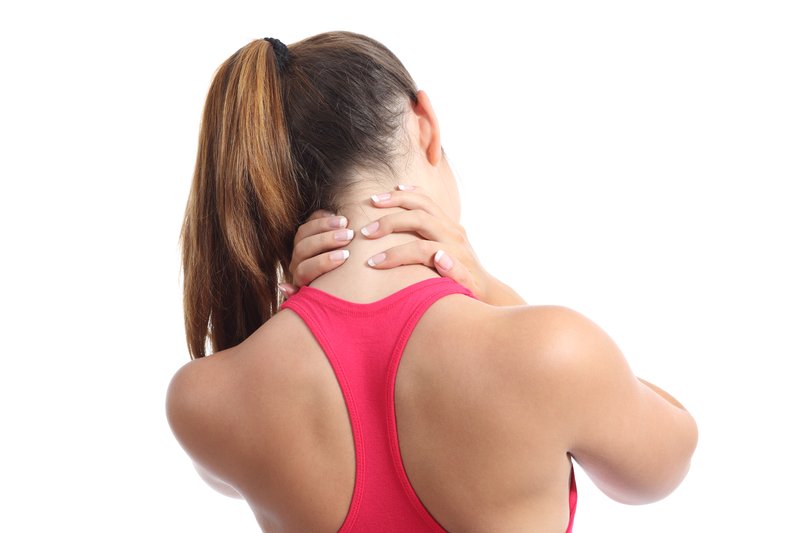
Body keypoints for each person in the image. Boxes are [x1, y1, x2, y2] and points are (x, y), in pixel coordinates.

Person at [167, 31, 698, 533]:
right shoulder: (553, 351)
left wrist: (289, 303)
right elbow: (670, 455)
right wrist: (489, 289)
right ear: (424, 123)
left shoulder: (205, 397)